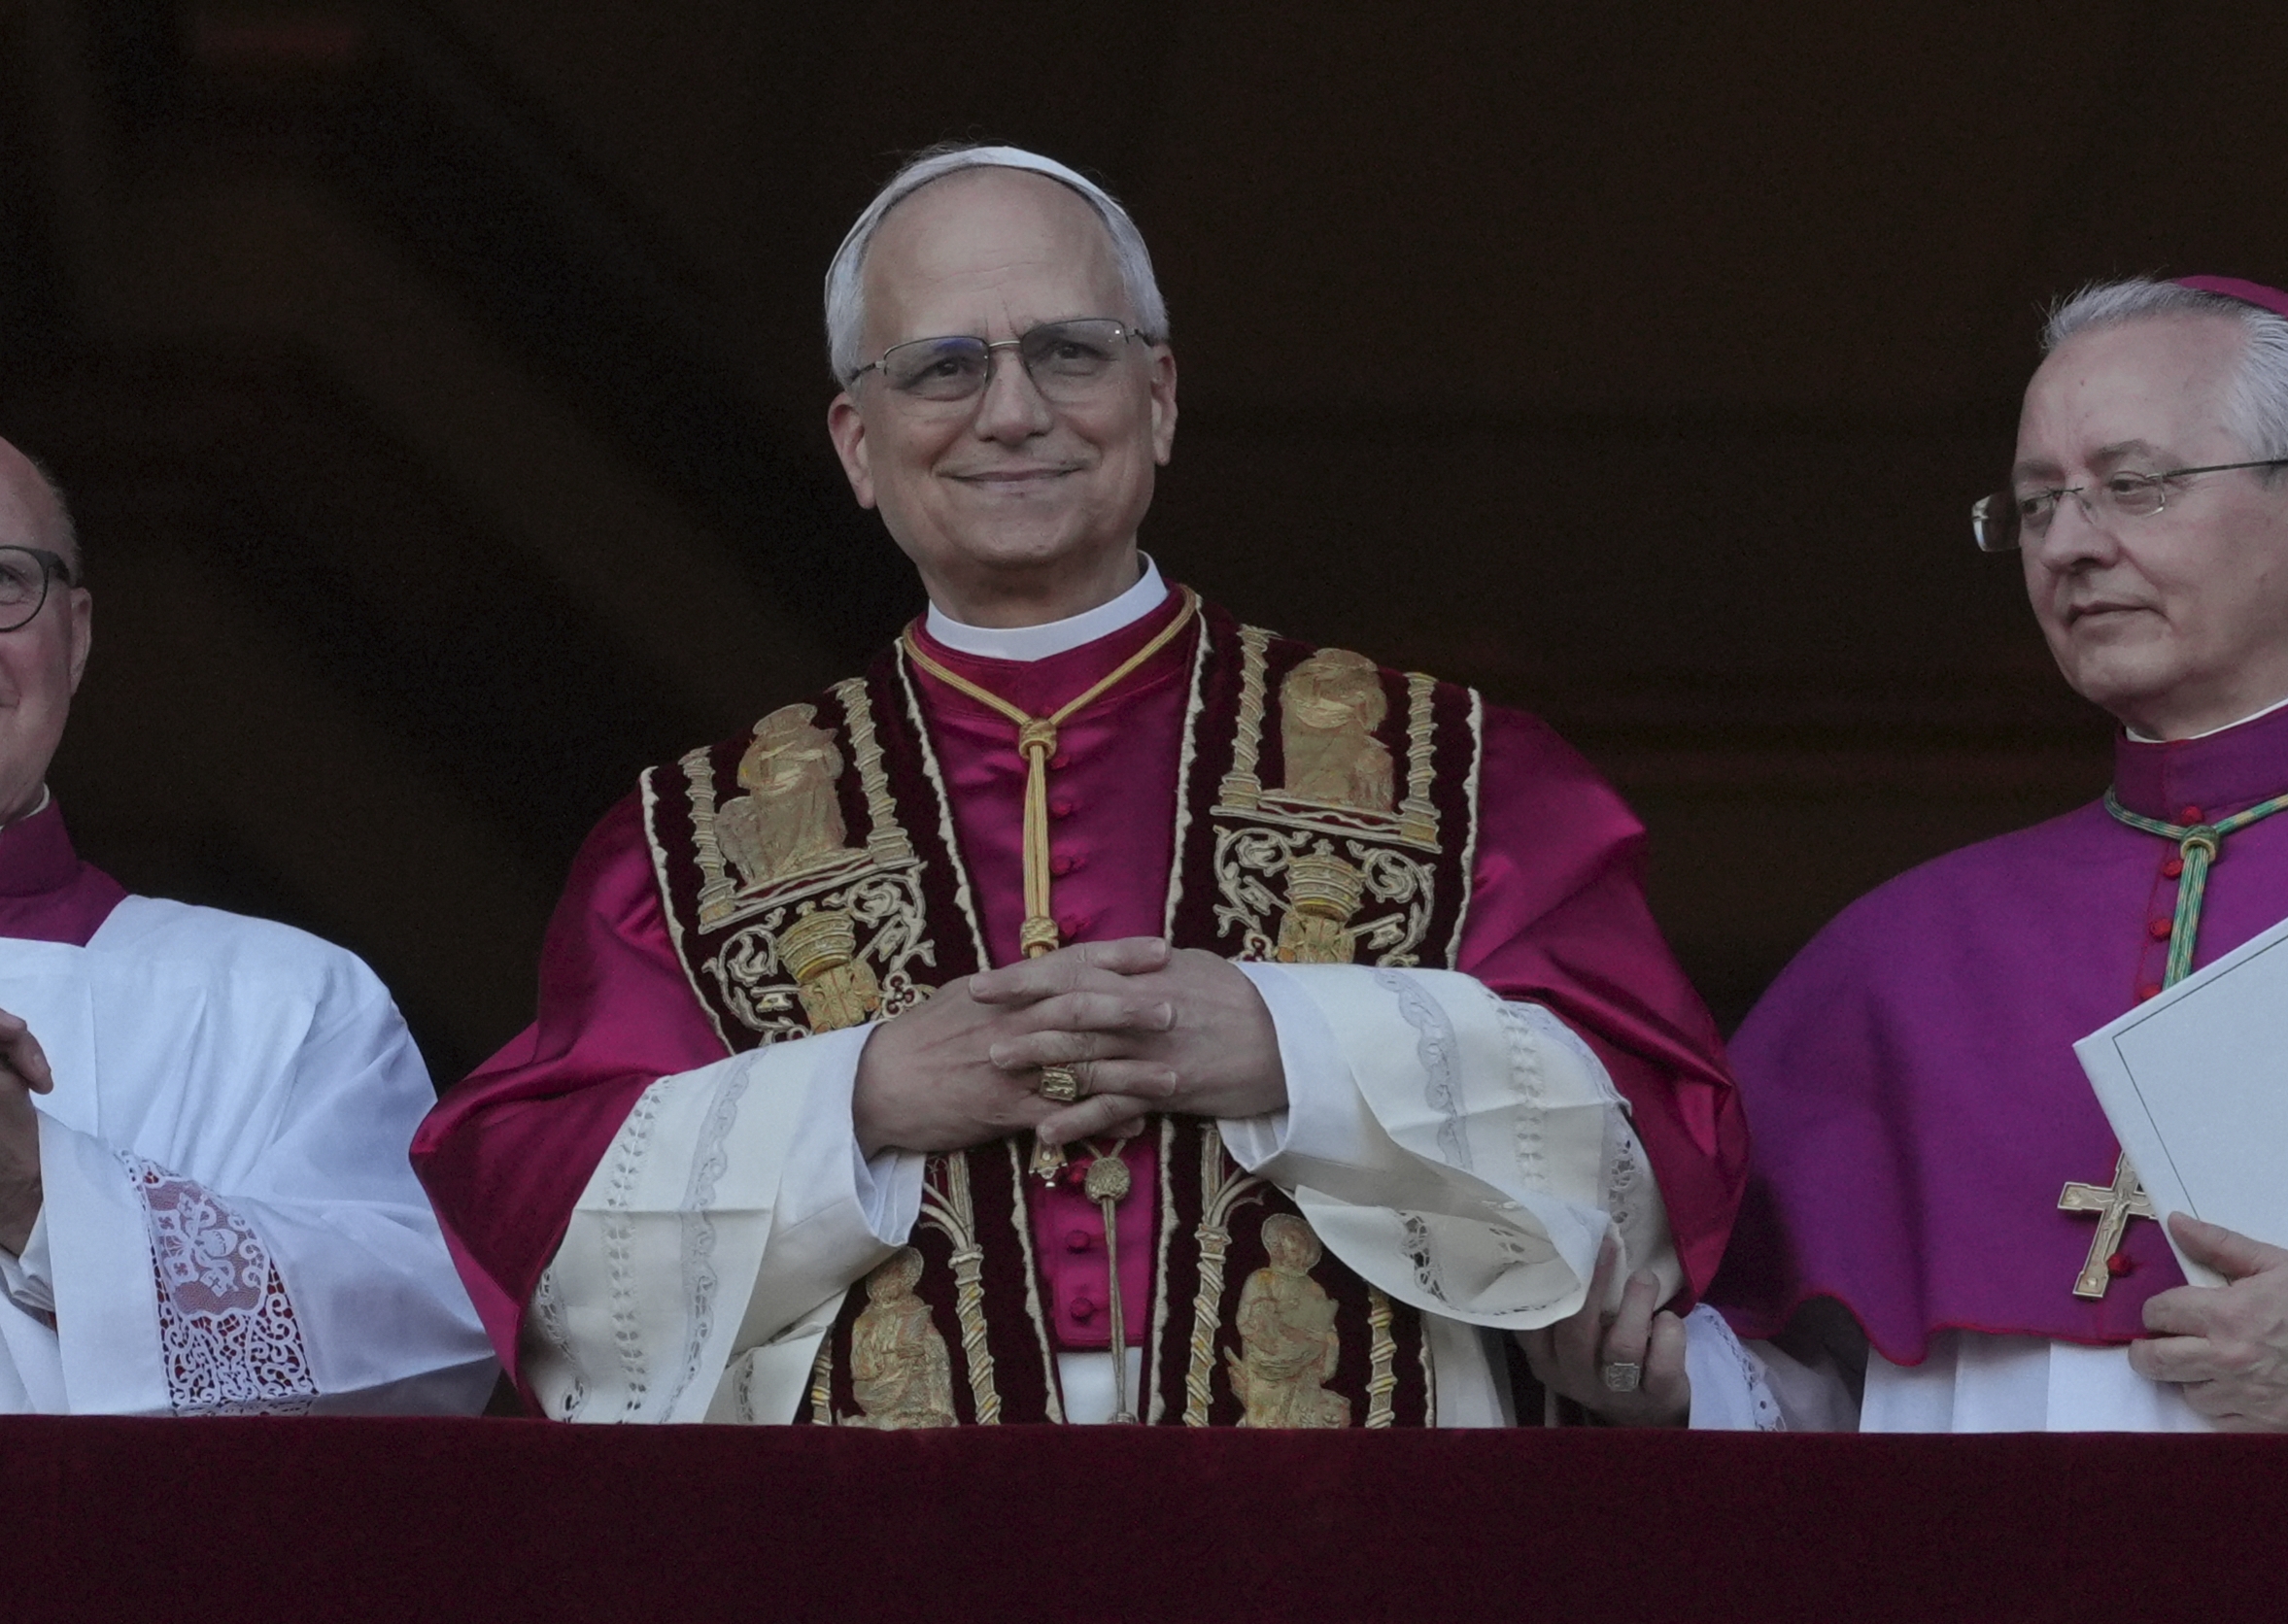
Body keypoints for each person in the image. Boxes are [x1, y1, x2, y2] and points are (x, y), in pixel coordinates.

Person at [412, 144, 1750, 1428]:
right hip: (880, 1585)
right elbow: (542, 1236)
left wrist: (1294, 1046)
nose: (1011, 411)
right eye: (940, 367)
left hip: (1347, 1572)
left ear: (1157, 397)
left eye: (1068, 350)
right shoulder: (691, 843)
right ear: (856, 444)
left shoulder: (1453, 774)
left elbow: (1659, 1147)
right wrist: (859, 1096)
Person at [1695, 276, 2288, 1432]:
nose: (2068, 544)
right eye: (2033, 504)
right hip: (1991, 1604)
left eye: (2134, 485)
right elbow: (1812, 1394)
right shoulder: (1908, 949)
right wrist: (1657, 1372)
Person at [0, 439, 496, 1414]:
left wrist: (36, 1194)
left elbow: (425, 1351)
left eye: (2, 581)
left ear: (78, 633)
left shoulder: (286, 1003)